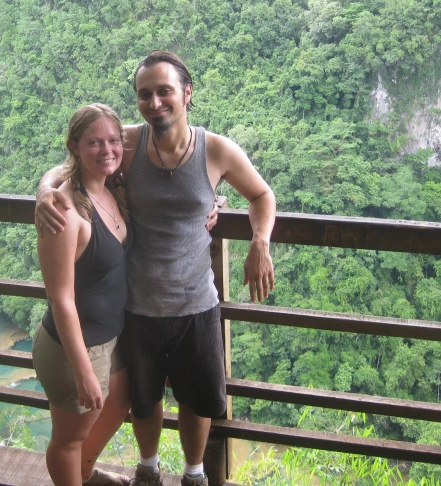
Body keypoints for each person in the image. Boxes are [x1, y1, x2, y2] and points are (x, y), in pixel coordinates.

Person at [36, 51, 276, 486]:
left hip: (197, 302)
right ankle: (147, 469)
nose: (154, 102)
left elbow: (262, 196)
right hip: (139, 306)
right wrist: (43, 191)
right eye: (144, 94)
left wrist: (259, 240)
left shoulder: (216, 149)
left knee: (199, 398)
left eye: (164, 91)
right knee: (144, 401)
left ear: (186, 94)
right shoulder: (127, 143)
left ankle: (194, 473)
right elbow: (76, 156)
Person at [33, 103, 133, 486]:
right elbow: (60, 298)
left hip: (110, 336)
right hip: (74, 349)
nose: (106, 150)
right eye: (94, 142)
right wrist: (83, 371)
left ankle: (86, 474)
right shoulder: (64, 211)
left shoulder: (112, 189)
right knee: (68, 439)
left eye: (113, 140)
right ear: (74, 146)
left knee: (119, 401)